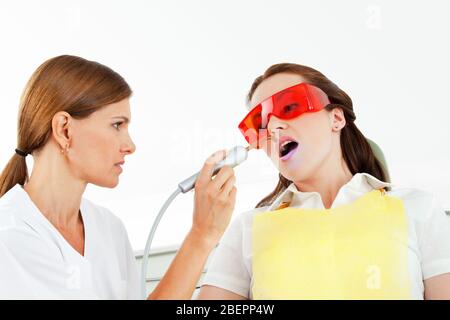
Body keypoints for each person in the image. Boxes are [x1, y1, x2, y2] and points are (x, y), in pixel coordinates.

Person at [199, 63, 450, 299]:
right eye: (260, 124)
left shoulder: (417, 209)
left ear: (337, 118)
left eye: (289, 107)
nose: (273, 126)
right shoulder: (247, 230)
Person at [0, 55, 236, 299]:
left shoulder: (108, 228)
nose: (130, 145)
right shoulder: (10, 236)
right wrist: (200, 236)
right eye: (117, 125)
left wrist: (203, 234)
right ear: (64, 129)